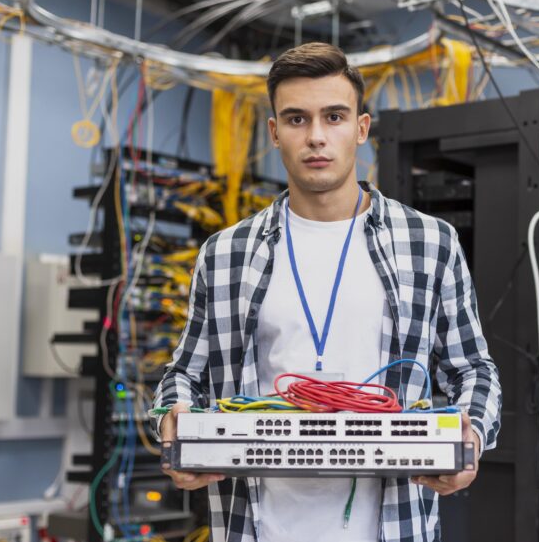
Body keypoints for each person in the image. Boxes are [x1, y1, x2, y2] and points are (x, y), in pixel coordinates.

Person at [153, 42, 501, 542]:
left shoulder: (428, 242)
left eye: (334, 116)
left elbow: (473, 369)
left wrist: (471, 439)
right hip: (255, 527)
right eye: (296, 119)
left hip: (393, 526)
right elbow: (184, 374)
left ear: (361, 128)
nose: (316, 137)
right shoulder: (225, 253)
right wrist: (173, 424)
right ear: (274, 133)